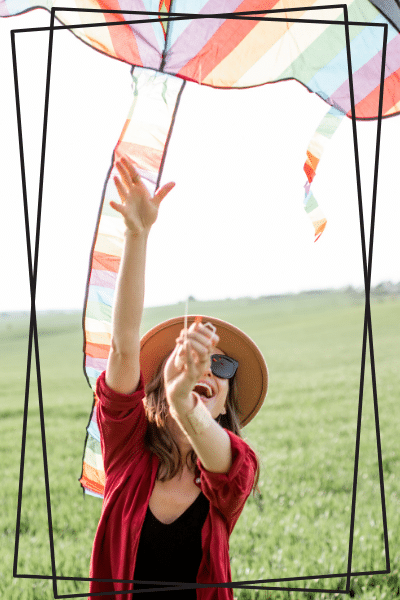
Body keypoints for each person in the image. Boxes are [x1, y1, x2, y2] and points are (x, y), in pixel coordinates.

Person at [88, 156, 269, 600]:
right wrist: (137, 235)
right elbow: (124, 345)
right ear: (153, 387)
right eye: (191, 357)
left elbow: (207, 439)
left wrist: (181, 394)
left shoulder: (235, 469)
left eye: (222, 366)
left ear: (226, 404)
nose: (206, 367)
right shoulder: (126, 450)